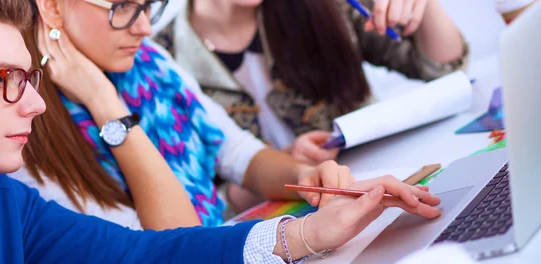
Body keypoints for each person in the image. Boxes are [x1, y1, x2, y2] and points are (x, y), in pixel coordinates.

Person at [0, 1, 441, 264]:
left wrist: (308, 233)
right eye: (3, 77)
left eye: (28, 77)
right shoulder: (18, 163)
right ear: (52, 9)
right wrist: (107, 107)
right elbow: (159, 243)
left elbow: (142, 259)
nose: (35, 102)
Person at [9, 0, 374, 229]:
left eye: (148, 4)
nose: (145, 26)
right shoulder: (27, 125)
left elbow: (235, 153)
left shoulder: (149, 62)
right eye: (122, 7)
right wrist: (105, 106)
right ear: (52, 7)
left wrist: (305, 175)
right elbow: (171, 243)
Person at [153, 0, 469, 211]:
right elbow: (200, 204)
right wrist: (281, 169)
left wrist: (424, 5)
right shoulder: (158, 63)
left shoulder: (324, 7)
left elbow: (444, 71)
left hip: (388, 188)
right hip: (283, 235)